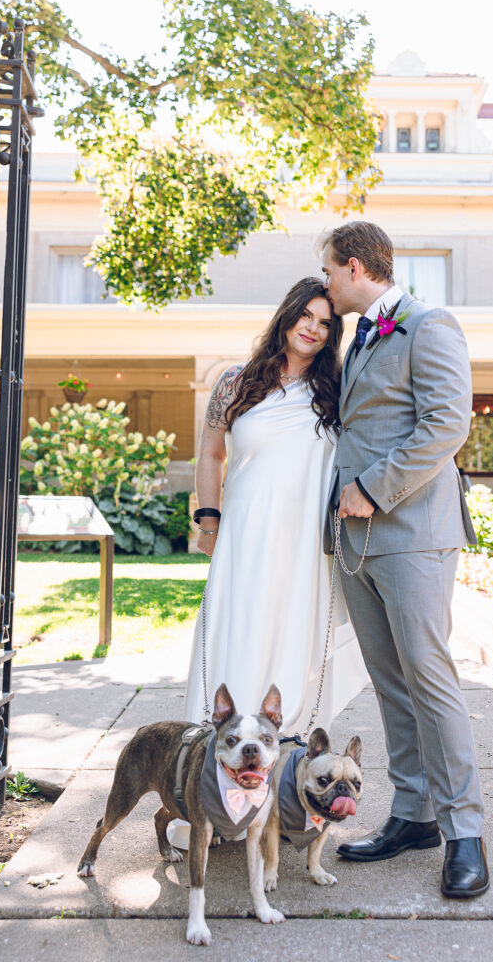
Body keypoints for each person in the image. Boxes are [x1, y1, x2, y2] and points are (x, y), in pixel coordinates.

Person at [320, 221, 489, 899]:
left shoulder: (427, 324)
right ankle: (413, 816)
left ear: (354, 266)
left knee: (430, 680)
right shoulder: (358, 338)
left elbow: (447, 424)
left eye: (330, 272)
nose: (327, 285)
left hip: (412, 532)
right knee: (391, 686)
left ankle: (466, 831)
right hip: (355, 543)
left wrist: (371, 488)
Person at [183, 277, 367, 734]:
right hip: (244, 536)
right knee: (236, 630)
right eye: (306, 315)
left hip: (307, 543)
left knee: (297, 639)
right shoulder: (234, 381)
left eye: (325, 323)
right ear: (287, 315)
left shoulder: (338, 391)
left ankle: (286, 745)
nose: (313, 328)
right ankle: (216, 743)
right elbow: (210, 453)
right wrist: (208, 525)